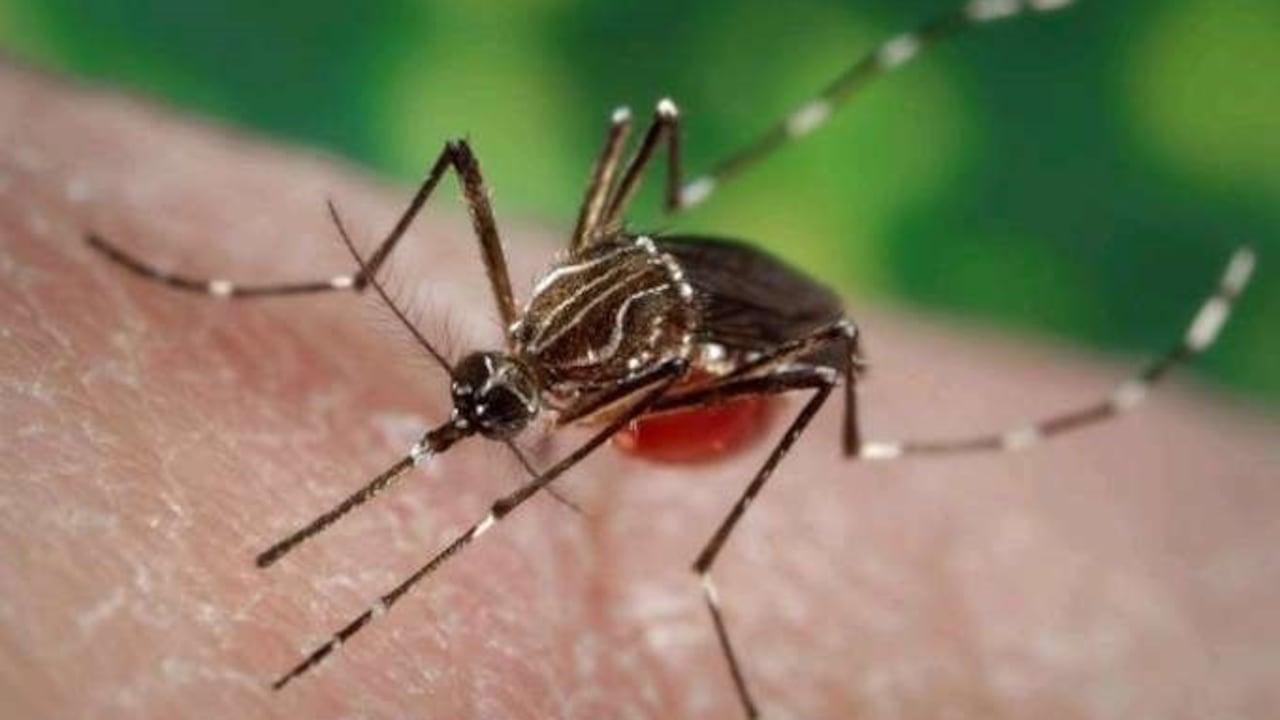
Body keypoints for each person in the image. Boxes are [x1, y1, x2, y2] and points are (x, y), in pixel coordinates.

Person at [2, 63, 1276, 719]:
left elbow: (764, 357)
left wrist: (521, 490)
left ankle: (715, 568)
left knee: (790, 337)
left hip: (719, 350)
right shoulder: (524, 337)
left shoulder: (587, 369)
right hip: (646, 297)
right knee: (536, 149)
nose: (470, 403)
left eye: (481, 401)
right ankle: (324, 298)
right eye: (482, 391)